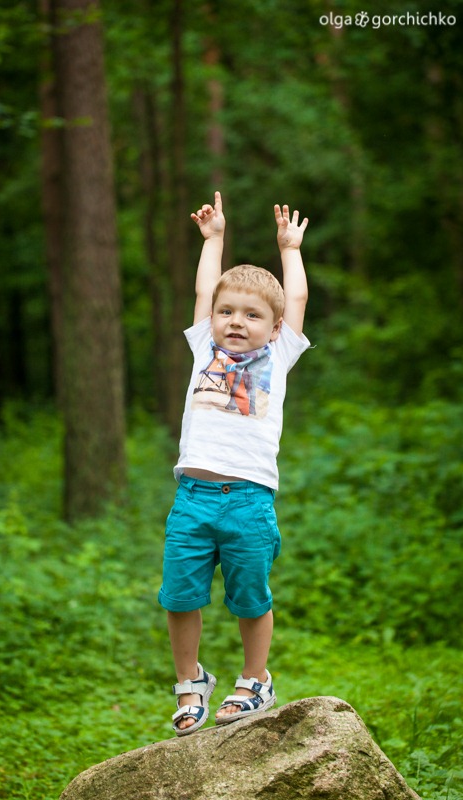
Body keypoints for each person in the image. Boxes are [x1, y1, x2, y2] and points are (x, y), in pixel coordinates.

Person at [158, 191, 310, 735]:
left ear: (273, 328)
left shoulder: (280, 354)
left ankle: (255, 679)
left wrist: (289, 249)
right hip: (192, 499)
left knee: (249, 597)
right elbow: (206, 287)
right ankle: (189, 681)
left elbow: (295, 299)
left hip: (248, 500)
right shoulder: (205, 349)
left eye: (251, 315)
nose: (235, 322)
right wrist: (214, 239)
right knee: (179, 594)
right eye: (227, 313)